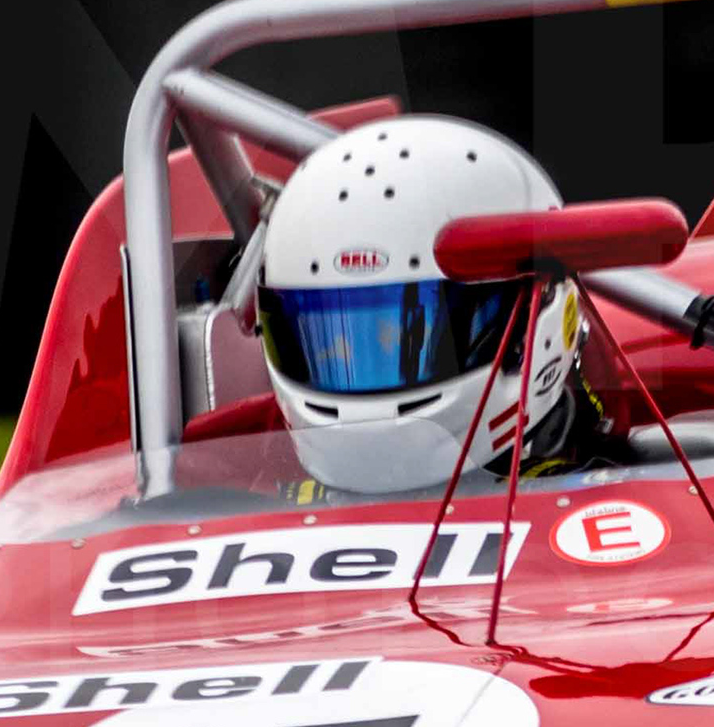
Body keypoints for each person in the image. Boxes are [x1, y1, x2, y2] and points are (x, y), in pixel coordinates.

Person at [250, 115, 599, 495]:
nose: (365, 389)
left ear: (536, 320)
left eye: (405, 339)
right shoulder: (245, 478)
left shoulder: (597, 493)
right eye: (333, 345)